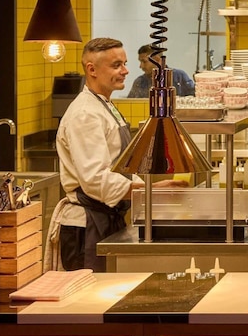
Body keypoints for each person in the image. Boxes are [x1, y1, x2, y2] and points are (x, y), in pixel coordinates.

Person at [55, 38, 186, 271]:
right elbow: (96, 180)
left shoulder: (104, 105)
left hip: (107, 219)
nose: (125, 71)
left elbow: (117, 166)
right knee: (89, 293)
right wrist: (148, 191)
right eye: (116, 65)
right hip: (86, 228)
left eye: (124, 64)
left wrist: (147, 189)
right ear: (92, 70)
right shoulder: (85, 114)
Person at [128, 43, 195, 97]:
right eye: (140, 62)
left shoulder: (179, 77)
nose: (141, 66)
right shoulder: (139, 82)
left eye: (144, 62)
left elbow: (195, 97)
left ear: (157, 60)